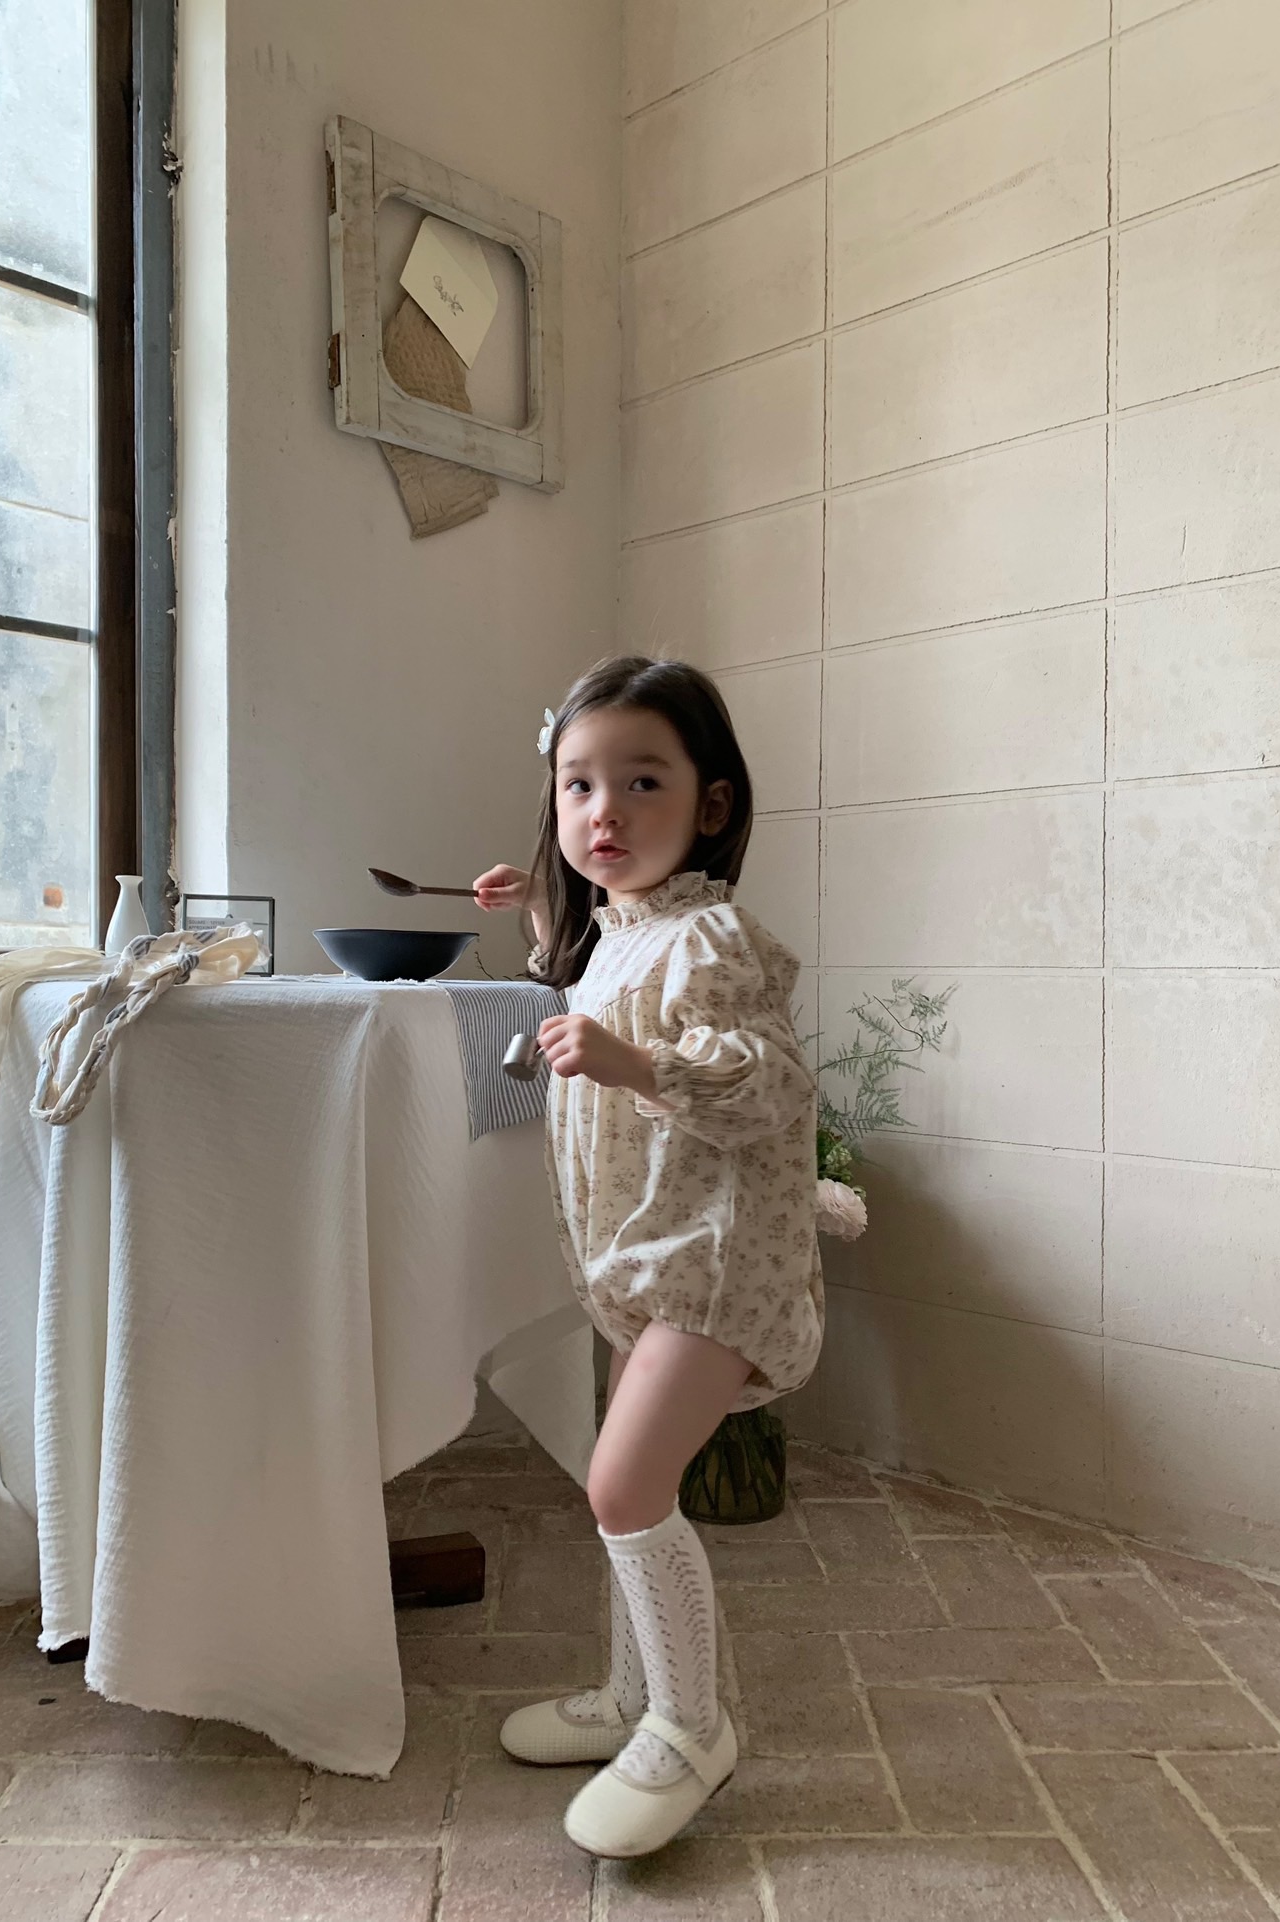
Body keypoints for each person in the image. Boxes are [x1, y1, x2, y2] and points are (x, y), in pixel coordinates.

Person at [473, 655, 824, 1858]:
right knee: (630, 1481)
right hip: (653, 1258)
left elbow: (769, 1082)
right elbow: (602, 972)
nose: (602, 810)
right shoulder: (624, 933)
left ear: (710, 804)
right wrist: (539, 909)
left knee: (622, 1486)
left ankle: (688, 1724)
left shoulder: (711, 934)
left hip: (713, 1261)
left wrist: (630, 1064)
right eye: (577, 784)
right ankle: (630, 1695)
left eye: (640, 781)